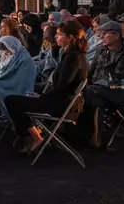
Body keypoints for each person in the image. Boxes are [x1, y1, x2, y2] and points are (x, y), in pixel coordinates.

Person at [5, 21, 89, 154]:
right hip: (57, 100)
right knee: (16, 100)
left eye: (60, 34)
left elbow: (62, 86)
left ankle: (35, 137)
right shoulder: (69, 54)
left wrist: (43, 97)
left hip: (60, 105)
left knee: (11, 101)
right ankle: (33, 137)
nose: (56, 37)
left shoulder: (74, 57)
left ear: (70, 37)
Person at [89, 21, 124, 85]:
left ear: (116, 35)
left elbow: (115, 80)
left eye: (105, 34)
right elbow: (90, 71)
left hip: (105, 90)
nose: (101, 37)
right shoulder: (101, 51)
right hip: (92, 87)